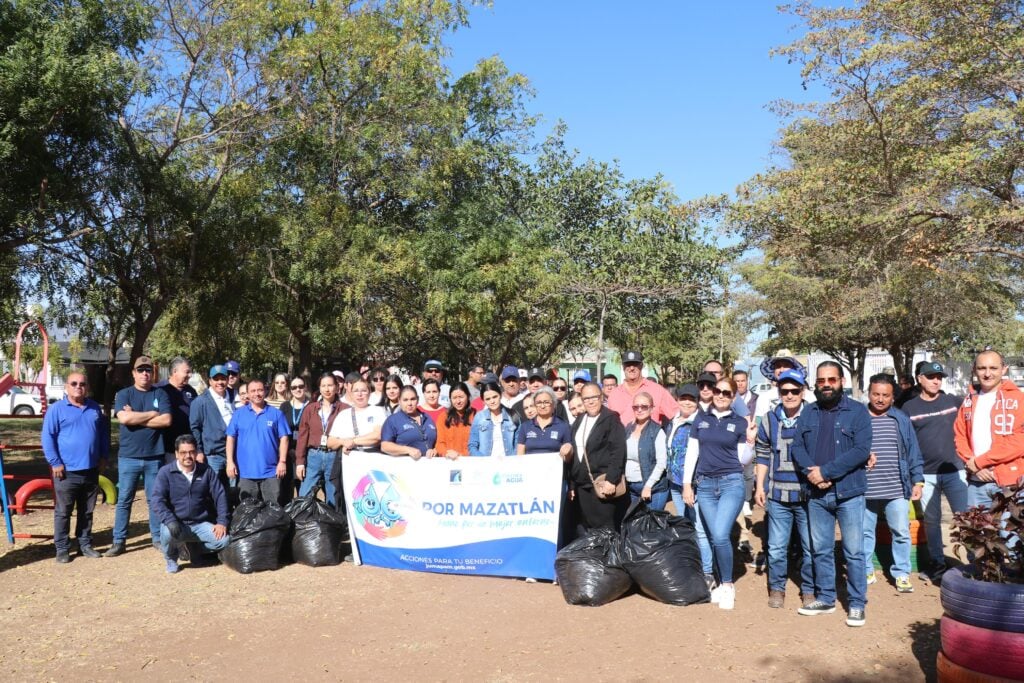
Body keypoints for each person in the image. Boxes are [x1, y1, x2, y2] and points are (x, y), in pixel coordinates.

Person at [791, 361, 872, 627]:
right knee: (821, 549)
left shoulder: (858, 412)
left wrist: (826, 472)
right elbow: (797, 447)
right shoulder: (808, 412)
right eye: (821, 380)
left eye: (831, 380)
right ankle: (826, 598)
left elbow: (861, 451)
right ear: (816, 383)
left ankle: (857, 604)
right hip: (816, 495)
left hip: (848, 492)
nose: (826, 385)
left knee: (854, 551)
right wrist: (811, 472)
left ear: (842, 381)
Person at [683, 377, 757, 610]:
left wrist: (751, 444)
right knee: (713, 535)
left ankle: (727, 584)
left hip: (730, 483)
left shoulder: (739, 422)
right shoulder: (701, 419)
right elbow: (692, 453)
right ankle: (716, 579)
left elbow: (743, 461)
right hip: (704, 484)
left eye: (727, 393)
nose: (721, 395)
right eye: (718, 391)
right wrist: (687, 484)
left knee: (721, 535)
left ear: (733, 397)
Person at [754, 369, 815, 609]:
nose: (789, 395)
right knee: (777, 547)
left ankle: (809, 590)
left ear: (803, 391)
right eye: (784, 391)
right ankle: (777, 589)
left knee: (810, 546)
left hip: (808, 494)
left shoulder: (812, 417)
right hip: (777, 494)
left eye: (794, 391)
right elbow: (761, 454)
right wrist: (759, 486)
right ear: (778, 392)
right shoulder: (769, 419)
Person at [902, 360, 966, 583]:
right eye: (930, 377)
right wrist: (913, 476)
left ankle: (974, 566)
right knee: (932, 521)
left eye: (939, 377)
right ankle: (938, 564)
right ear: (919, 378)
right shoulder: (909, 409)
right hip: (925, 475)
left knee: (966, 519)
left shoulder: (954, 402)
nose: (936, 380)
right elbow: (905, 444)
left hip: (955, 470)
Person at [862, 374, 925, 594]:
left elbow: (913, 451)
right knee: (864, 532)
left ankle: (902, 573)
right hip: (864, 488)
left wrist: (917, 480)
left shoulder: (900, 419)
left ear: (892, 396)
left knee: (900, 531)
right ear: (868, 393)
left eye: (885, 395)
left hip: (897, 487)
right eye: (875, 394)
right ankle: (866, 569)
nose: (880, 399)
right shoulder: (859, 418)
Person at [105, 355, 172, 557]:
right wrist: (152, 413)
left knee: (155, 500)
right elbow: (124, 418)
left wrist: (137, 418)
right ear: (133, 373)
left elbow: (166, 420)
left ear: (153, 373)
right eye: (141, 370)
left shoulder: (160, 393)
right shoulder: (124, 394)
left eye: (148, 370)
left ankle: (157, 538)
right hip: (129, 457)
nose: (145, 373)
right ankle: (119, 541)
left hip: (155, 456)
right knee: (125, 499)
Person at [42, 371, 110, 563]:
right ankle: (62, 549)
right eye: (74, 383)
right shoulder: (56, 410)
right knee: (63, 512)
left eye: (82, 384)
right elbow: (48, 437)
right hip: (66, 471)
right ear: (66, 387)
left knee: (87, 511)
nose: (78, 387)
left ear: (86, 387)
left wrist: (104, 456)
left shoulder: (94, 408)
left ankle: (85, 545)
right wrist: (55, 462)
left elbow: (103, 433)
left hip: (91, 469)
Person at [954, 349, 1024, 510]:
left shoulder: (1019, 399)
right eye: (982, 368)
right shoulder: (969, 400)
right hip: (976, 484)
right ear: (974, 370)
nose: (987, 374)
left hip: (1010, 483)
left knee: (1009, 534)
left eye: (993, 368)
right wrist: (973, 465)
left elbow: (1019, 442)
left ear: (1004, 369)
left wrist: (980, 462)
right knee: (975, 534)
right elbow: (960, 436)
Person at [150, 434, 230, 574]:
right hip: (176, 523)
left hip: (200, 523)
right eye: (183, 452)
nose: (188, 456)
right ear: (176, 454)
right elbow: (157, 500)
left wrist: (222, 521)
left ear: (196, 452)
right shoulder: (166, 472)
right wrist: (170, 520)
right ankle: (171, 558)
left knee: (224, 540)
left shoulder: (206, 471)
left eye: (191, 452)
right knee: (168, 533)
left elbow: (220, 495)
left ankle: (193, 547)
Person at [665, 384, 713, 583]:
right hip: (675, 483)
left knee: (700, 528)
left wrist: (690, 485)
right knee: (686, 525)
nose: (686, 402)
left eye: (691, 399)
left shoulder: (701, 423)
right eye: (683, 398)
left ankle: (707, 570)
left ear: (697, 402)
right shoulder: (673, 421)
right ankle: (692, 565)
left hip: (694, 484)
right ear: (677, 399)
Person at [570, 382, 628, 530]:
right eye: (586, 398)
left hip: (602, 483)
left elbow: (618, 451)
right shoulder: (580, 420)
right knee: (589, 526)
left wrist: (611, 480)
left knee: (606, 528)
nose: (590, 401)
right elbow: (576, 453)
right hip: (583, 485)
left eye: (594, 397)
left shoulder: (611, 419)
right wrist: (572, 483)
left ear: (601, 397)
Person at [225, 378, 291, 504]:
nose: (257, 394)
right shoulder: (238, 414)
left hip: (271, 472)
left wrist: (282, 461)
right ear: (248, 394)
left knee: (273, 510)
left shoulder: (276, 414)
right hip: (246, 472)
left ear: (265, 391)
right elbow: (230, 438)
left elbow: (284, 438)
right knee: (248, 511)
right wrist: (230, 462)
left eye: (260, 390)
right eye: (253, 391)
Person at [295, 373, 346, 504]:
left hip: (334, 456)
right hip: (314, 456)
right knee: (304, 494)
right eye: (323, 386)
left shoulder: (345, 410)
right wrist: (300, 462)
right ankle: (302, 522)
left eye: (330, 385)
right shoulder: (310, 409)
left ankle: (331, 523)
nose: (327, 389)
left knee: (333, 495)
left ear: (336, 387)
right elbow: (302, 437)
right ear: (319, 388)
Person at [189, 364, 235, 495]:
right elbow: (194, 428)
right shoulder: (200, 401)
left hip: (232, 454)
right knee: (212, 492)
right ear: (210, 381)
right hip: (213, 456)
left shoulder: (232, 398)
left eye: (223, 378)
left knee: (232, 492)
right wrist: (198, 450)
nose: (220, 382)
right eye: (216, 379)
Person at [606, 350, 678, 427]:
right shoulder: (614, 394)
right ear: (623, 366)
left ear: (641, 366)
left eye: (635, 364)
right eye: (628, 364)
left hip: (649, 438)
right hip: (621, 438)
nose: (632, 368)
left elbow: (677, 415)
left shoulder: (657, 390)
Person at [624, 391, 669, 510]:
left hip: (653, 489)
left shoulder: (657, 432)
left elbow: (661, 463)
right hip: (631, 488)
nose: (639, 410)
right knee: (634, 526)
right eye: (636, 407)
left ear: (652, 409)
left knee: (652, 526)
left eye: (644, 406)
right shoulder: (628, 429)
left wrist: (648, 486)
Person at [157, 356, 197, 465]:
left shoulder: (191, 391)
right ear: (175, 371)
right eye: (187, 372)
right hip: (165, 448)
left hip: (186, 447)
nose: (190, 375)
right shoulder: (159, 389)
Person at [381, 386, 438, 459]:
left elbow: (437, 441)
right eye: (405, 400)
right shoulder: (392, 420)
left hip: (430, 465)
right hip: (406, 467)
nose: (409, 403)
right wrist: (407, 450)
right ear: (399, 401)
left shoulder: (427, 417)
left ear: (418, 399)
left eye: (413, 399)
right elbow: (385, 446)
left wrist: (435, 450)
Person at [516, 386, 573, 458]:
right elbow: (520, 455)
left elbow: (568, 458)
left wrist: (568, 451)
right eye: (539, 403)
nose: (542, 406)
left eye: (546, 402)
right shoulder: (525, 427)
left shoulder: (563, 426)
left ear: (553, 404)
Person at [468, 382, 517, 457]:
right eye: (488, 399)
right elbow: (472, 445)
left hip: (508, 464)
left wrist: (511, 461)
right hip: (486, 465)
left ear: (500, 395)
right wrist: (483, 461)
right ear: (483, 401)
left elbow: (518, 444)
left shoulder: (513, 415)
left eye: (495, 397)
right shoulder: (479, 417)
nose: (492, 401)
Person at [436, 383, 475, 458]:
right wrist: (446, 452)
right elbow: (439, 443)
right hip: (449, 460)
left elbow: (478, 444)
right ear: (450, 399)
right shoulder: (443, 417)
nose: (458, 401)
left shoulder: (476, 415)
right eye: (454, 398)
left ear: (468, 396)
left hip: (470, 461)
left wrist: (462, 455)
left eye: (461, 397)